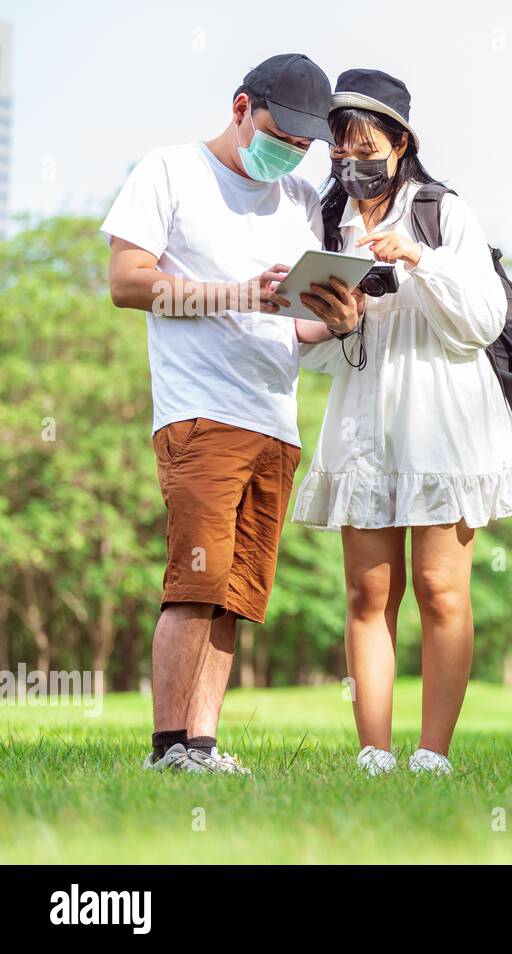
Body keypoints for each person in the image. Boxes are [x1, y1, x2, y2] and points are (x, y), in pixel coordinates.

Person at [103, 54, 359, 774]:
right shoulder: (170, 171)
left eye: (307, 146)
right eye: (283, 135)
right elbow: (128, 283)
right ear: (242, 107)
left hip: (275, 420)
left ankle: (203, 746)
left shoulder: (301, 199)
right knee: (196, 583)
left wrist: (337, 321)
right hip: (201, 413)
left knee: (236, 596)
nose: (294, 154)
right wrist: (237, 294)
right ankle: (166, 749)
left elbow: (298, 326)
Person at [293, 69, 512, 776]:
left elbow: (482, 322)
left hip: (443, 417)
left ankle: (433, 753)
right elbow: (310, 345)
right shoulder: (325, 221)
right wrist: (336, 320)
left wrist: (419, 260)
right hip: (364, 418)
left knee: (441, 589)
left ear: (400, 142)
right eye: (339, 149)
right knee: (367, 593)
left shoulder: (440, 212)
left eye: (365, 146)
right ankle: (373, 754)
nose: (352, 162)